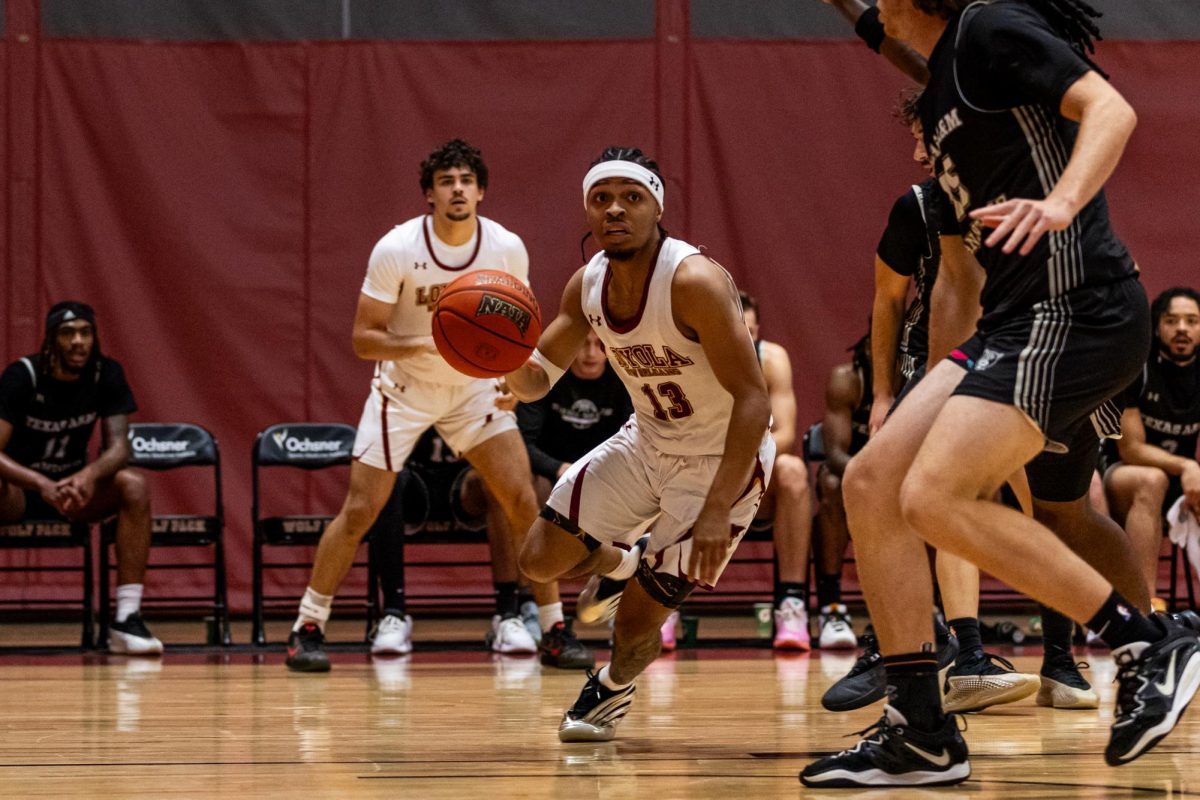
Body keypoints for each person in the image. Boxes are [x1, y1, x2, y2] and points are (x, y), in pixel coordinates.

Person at [802, 0, 1200, 787]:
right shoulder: (946, 69)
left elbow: (1110, 108)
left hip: (1075, 306)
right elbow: (883, 35)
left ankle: (1149, 642)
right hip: (1011, 321)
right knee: (873, 482)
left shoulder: (988, 26)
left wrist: (1062, 202)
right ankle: (921, 732)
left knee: (936, 497)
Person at [506, 146, 773, 742]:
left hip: (721, 461)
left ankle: (612, 687)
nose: (614, 210)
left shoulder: (693, 282)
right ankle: (625, 563)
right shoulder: (587, 285)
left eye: (631, 197)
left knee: (632, 629)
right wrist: (498, 360)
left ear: (658, 208)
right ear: (587, 211)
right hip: (647, 441)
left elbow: (755, 401)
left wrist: (716, 508)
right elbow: (537, 379)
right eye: (601, 199)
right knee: (538, 560)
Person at [285, 139, 544, 671]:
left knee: (523, 501)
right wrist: (429, 342)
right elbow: (363, 340)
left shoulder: (506, 248)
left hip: (473, 390)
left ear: (481, 191)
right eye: (446, 181)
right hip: (404, 391)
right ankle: (308, 625)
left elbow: (519, 330)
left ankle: (554, 625)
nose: (457, 190)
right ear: (430, 194)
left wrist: (513, 382)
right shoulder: (397, 248)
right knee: (361, 509)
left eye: (466, 181)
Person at [0, 302, 161, 654]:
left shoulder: (106, 374)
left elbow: (119, 448)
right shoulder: (22, 376)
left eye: (85, 333)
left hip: (73, 493)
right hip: (19, 493)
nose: (78, 341)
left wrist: (88, 475)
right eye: (68, 333)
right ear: (51, 340)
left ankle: (127, 620)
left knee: (133, 485)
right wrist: (41, 484)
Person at [368, 428, 549, 658]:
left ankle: (507, 614)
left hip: (464, 484)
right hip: (415, 481)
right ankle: (394, 612)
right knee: (386, 478)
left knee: (497, 478)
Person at [517, 329, 631, 666]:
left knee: (644, 488)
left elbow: (636, 439)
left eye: (599, 345)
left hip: (606, 474)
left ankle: (626, 598)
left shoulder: (626, 377)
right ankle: (531, 606)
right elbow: (522, 443)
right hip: (553, 474)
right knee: (531, 488)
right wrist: (559, 468)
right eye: (583, 343)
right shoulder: (546, 376)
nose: (591, 353)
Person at [733, 292, 825, 650]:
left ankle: (792, 603)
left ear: (757, 331)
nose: (743, 337)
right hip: (704, 478)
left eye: (749, 330)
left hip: (755, 473)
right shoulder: (695, 358)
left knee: (793, 469)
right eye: (735, 329)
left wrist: (741, 462)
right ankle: (664, 602)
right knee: (666, 466)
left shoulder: (772, 360)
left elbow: (785, 434)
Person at [1104, 287, 1200, 603]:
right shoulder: (1139, 365)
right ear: (1157, 326)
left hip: (1178, 484)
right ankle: (1145, 607)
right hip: (1121, 475)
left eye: (1192, 321)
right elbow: (1131, 449)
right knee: (1152, 479)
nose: (1182, 329)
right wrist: (1187, 465)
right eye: (1172, 321)